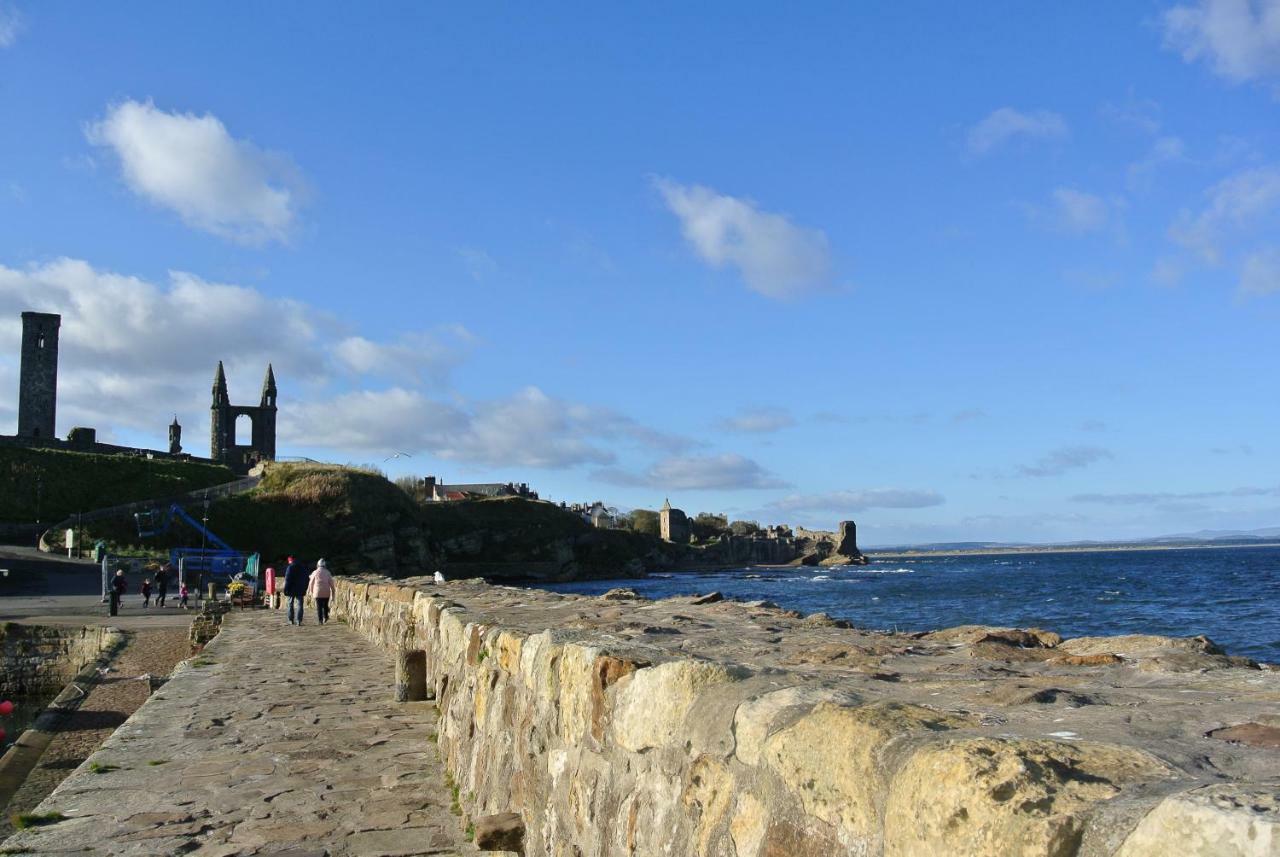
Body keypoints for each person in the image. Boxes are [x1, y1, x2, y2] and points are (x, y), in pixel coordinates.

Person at [307, 559, 335, 625]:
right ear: (324, 565)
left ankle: (320, 620)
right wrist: (333, 592)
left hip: (317, 592)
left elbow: (311, 583)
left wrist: (311, 591)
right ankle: (325, 617)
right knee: (325, 605)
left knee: (319, 607)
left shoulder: (315, 572)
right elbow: (331, 583)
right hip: (326, 592)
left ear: (318, 565)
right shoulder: (328, 572)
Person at [282, 555, 307, 625]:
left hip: (291, 589)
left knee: (290, 604)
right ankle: (299, 620)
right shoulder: (302, 567)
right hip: (300, 589)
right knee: (300, 605)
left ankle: (291, 620)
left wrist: (285, 589)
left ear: (290, 561)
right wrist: (305, 587)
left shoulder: (290, 567)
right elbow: (307, 579)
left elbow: (287, 579)